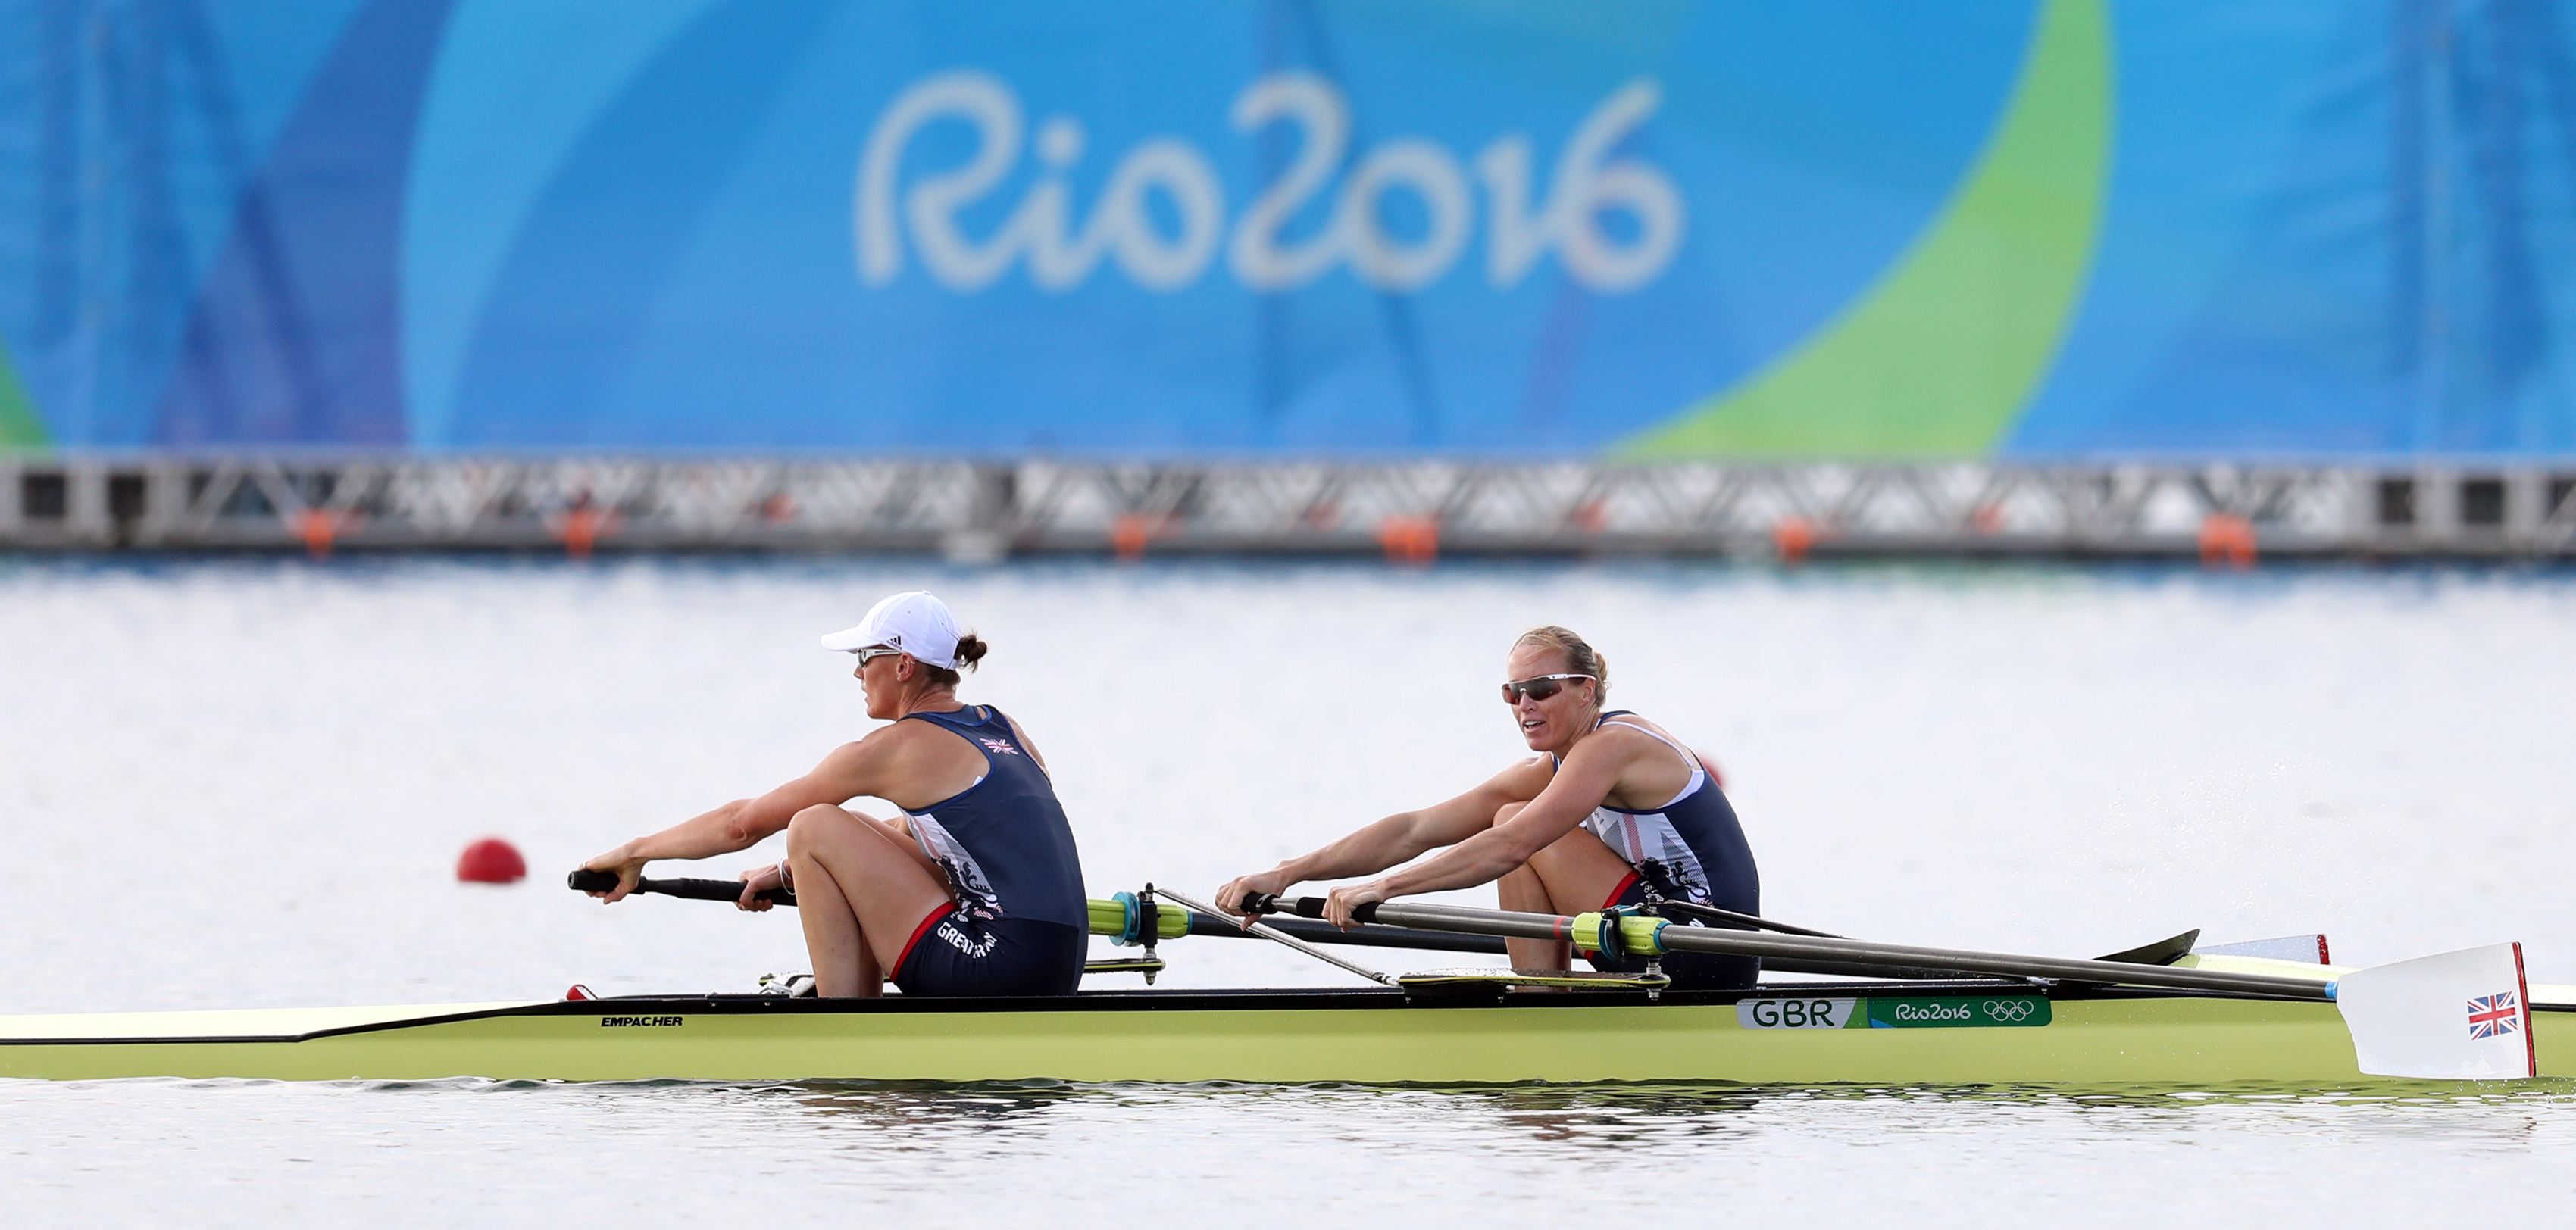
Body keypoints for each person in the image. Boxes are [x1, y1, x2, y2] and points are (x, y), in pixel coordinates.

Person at [580, 591, 1087, 997]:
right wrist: (789, 873)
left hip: (996, 967)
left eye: (865, 657)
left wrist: (634, 853)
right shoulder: (1005, 728)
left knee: (812, 825)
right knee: (854, 832)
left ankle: (842, 1024)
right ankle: (849, 1010)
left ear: (904, 665)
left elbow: (743, 824)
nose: (856, 672)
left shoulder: (898, 747)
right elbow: (920, 846)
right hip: (1057, 966)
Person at [1214, 626, 1761, 989]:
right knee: (1507, 815)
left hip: (1705, 948)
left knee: (1510, 827)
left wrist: (1387, 888)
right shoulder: (1551, 770)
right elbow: (1415, 829)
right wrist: (1285, 873)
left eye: (1542, 689)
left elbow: (1512, 844)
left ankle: (1543, 1005)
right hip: (1645, 938)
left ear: (1587, 690)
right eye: (1513, 692)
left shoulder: (1616, 746)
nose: (1525, 705)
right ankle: (1542, 999)